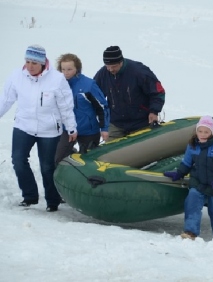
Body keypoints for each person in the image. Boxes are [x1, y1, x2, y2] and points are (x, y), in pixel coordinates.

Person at [0, 45, 77, 212]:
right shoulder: (16, 76)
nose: (30, 66)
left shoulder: (56, 79)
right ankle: (29, 196)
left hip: (49, 129)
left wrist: (71, 127)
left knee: (47, 166)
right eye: (27, 61)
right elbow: (5, 100)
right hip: (24, 126)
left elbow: (65, 105)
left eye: (34, 62)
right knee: (18, 160)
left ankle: (52, 200)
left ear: (43, 63)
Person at [164, 116, 213, 240]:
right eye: (200, 131)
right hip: (199, 183)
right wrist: (179, 173)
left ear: (212, 133)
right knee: (191, 203)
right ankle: (190, 232)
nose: (202, 134)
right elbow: (187, 163)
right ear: (196, 131)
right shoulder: (193, 146)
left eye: (206, 131)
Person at [94, 46, 165, 141]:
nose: (110, 69)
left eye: (113, 66)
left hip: (140, 121)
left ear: (121, 62)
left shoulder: (139, 72)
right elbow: (94, 97)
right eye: (107, 66)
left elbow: (157, 92)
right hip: (115, 123)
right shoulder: (103, 74)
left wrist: (154, 111)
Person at [55, 53, 110, 165]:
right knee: (58, 158)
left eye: (69, 69)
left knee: (88, 163)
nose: (66, 72)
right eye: (63, 69)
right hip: (68, 129)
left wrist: (104, 128)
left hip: (88, 130)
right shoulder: (57, 85)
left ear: (77, 68)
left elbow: (102, 106)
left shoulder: (88, 85)